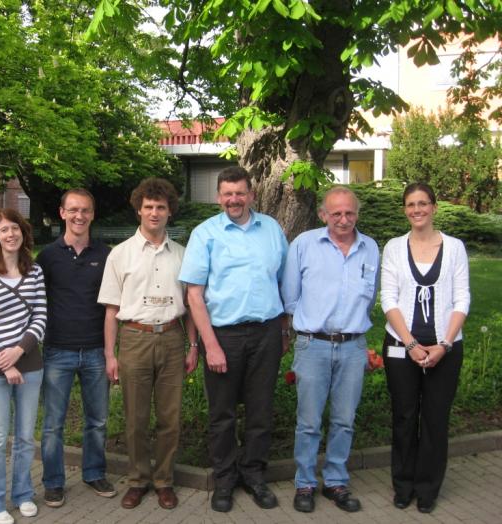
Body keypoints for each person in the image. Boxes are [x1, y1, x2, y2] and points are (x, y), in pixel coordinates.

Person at [179, 166, 289, 513]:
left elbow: (284, 283)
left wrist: (284, 330)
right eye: (227, 194)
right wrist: (209, 345)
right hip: (223, 335)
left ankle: (254, 475)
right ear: (218, 197)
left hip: (266, 332)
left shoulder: (271, 229)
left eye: (240, 193)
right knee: (222, 414)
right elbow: (194, 296)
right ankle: (225, 479)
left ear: (251, 195)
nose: (234, 199)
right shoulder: (205, 234)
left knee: (260, 410)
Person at [98, 177, 198, 510]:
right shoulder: (120, 254)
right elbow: (111, 310)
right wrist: (110, 354)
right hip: (134, 339)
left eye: (161, 207)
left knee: (170, 417)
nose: (154, 213)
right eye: (149, 207)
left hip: (172, 338)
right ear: (138, 210)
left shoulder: (183, 255)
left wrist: (193, 346)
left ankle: (164, 480)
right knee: (135, 418)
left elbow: (192, 308)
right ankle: (138, 480)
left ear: (170, 212)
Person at [281, 186, 379, 514]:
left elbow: (370, 297)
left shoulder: (370, 248)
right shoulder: (304, 244)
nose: (343, 219)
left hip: (353, 346)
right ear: (323, 214)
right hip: (313, 345)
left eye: (349, 213)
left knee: (344, 420)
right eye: (336, 213)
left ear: (357, 214)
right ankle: (305, 482)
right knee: (309, 422)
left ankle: (336, 481)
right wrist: (306, 326)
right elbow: (290, 296)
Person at [381, 182, 469, 514]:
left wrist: (444, 344)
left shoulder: (455, 247)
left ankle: (428, 488)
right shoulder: (394, 247)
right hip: (401, 347)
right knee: (404, 417)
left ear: (434, 207)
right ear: (405, 210)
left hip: (445, 349)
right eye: (410, 204)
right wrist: (411, 344)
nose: (416, 210)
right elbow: (388, 300)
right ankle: (403, 485)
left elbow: (462, 298)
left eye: (422, 203)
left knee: (435, 419)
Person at [37, 189, 115, 508]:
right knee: (53, 423)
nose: (79, 216)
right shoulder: (47, 256)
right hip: (58, 350)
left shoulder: (106, 255)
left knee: (97, 420)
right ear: (62, 213)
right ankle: (53, 482)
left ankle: (94, 473)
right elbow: (35, 301)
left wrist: (111, 352)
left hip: (96, 350)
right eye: (73, 210)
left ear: (92, 215)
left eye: (85, 210)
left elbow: (113, 305)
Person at [0, 209, 47, 524]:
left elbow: (40, 316)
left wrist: (19, 351)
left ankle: (23, 494)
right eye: (4, 230)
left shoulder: (35, 271)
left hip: (29, 364)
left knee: (26, 437)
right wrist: (6, 363)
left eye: (15, 228)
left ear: (23, 232)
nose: (10, 234)